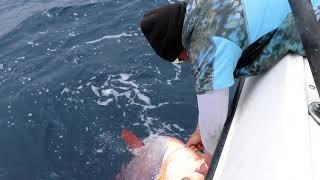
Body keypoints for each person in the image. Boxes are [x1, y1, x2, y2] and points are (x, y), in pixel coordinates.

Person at [140, 0, 320, 162]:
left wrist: (208, 159)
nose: (186, 60)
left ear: (178, 47)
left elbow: (214, 125)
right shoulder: (201, 7)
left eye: (179, 59)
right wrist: (199, 132)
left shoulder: (206, 44)